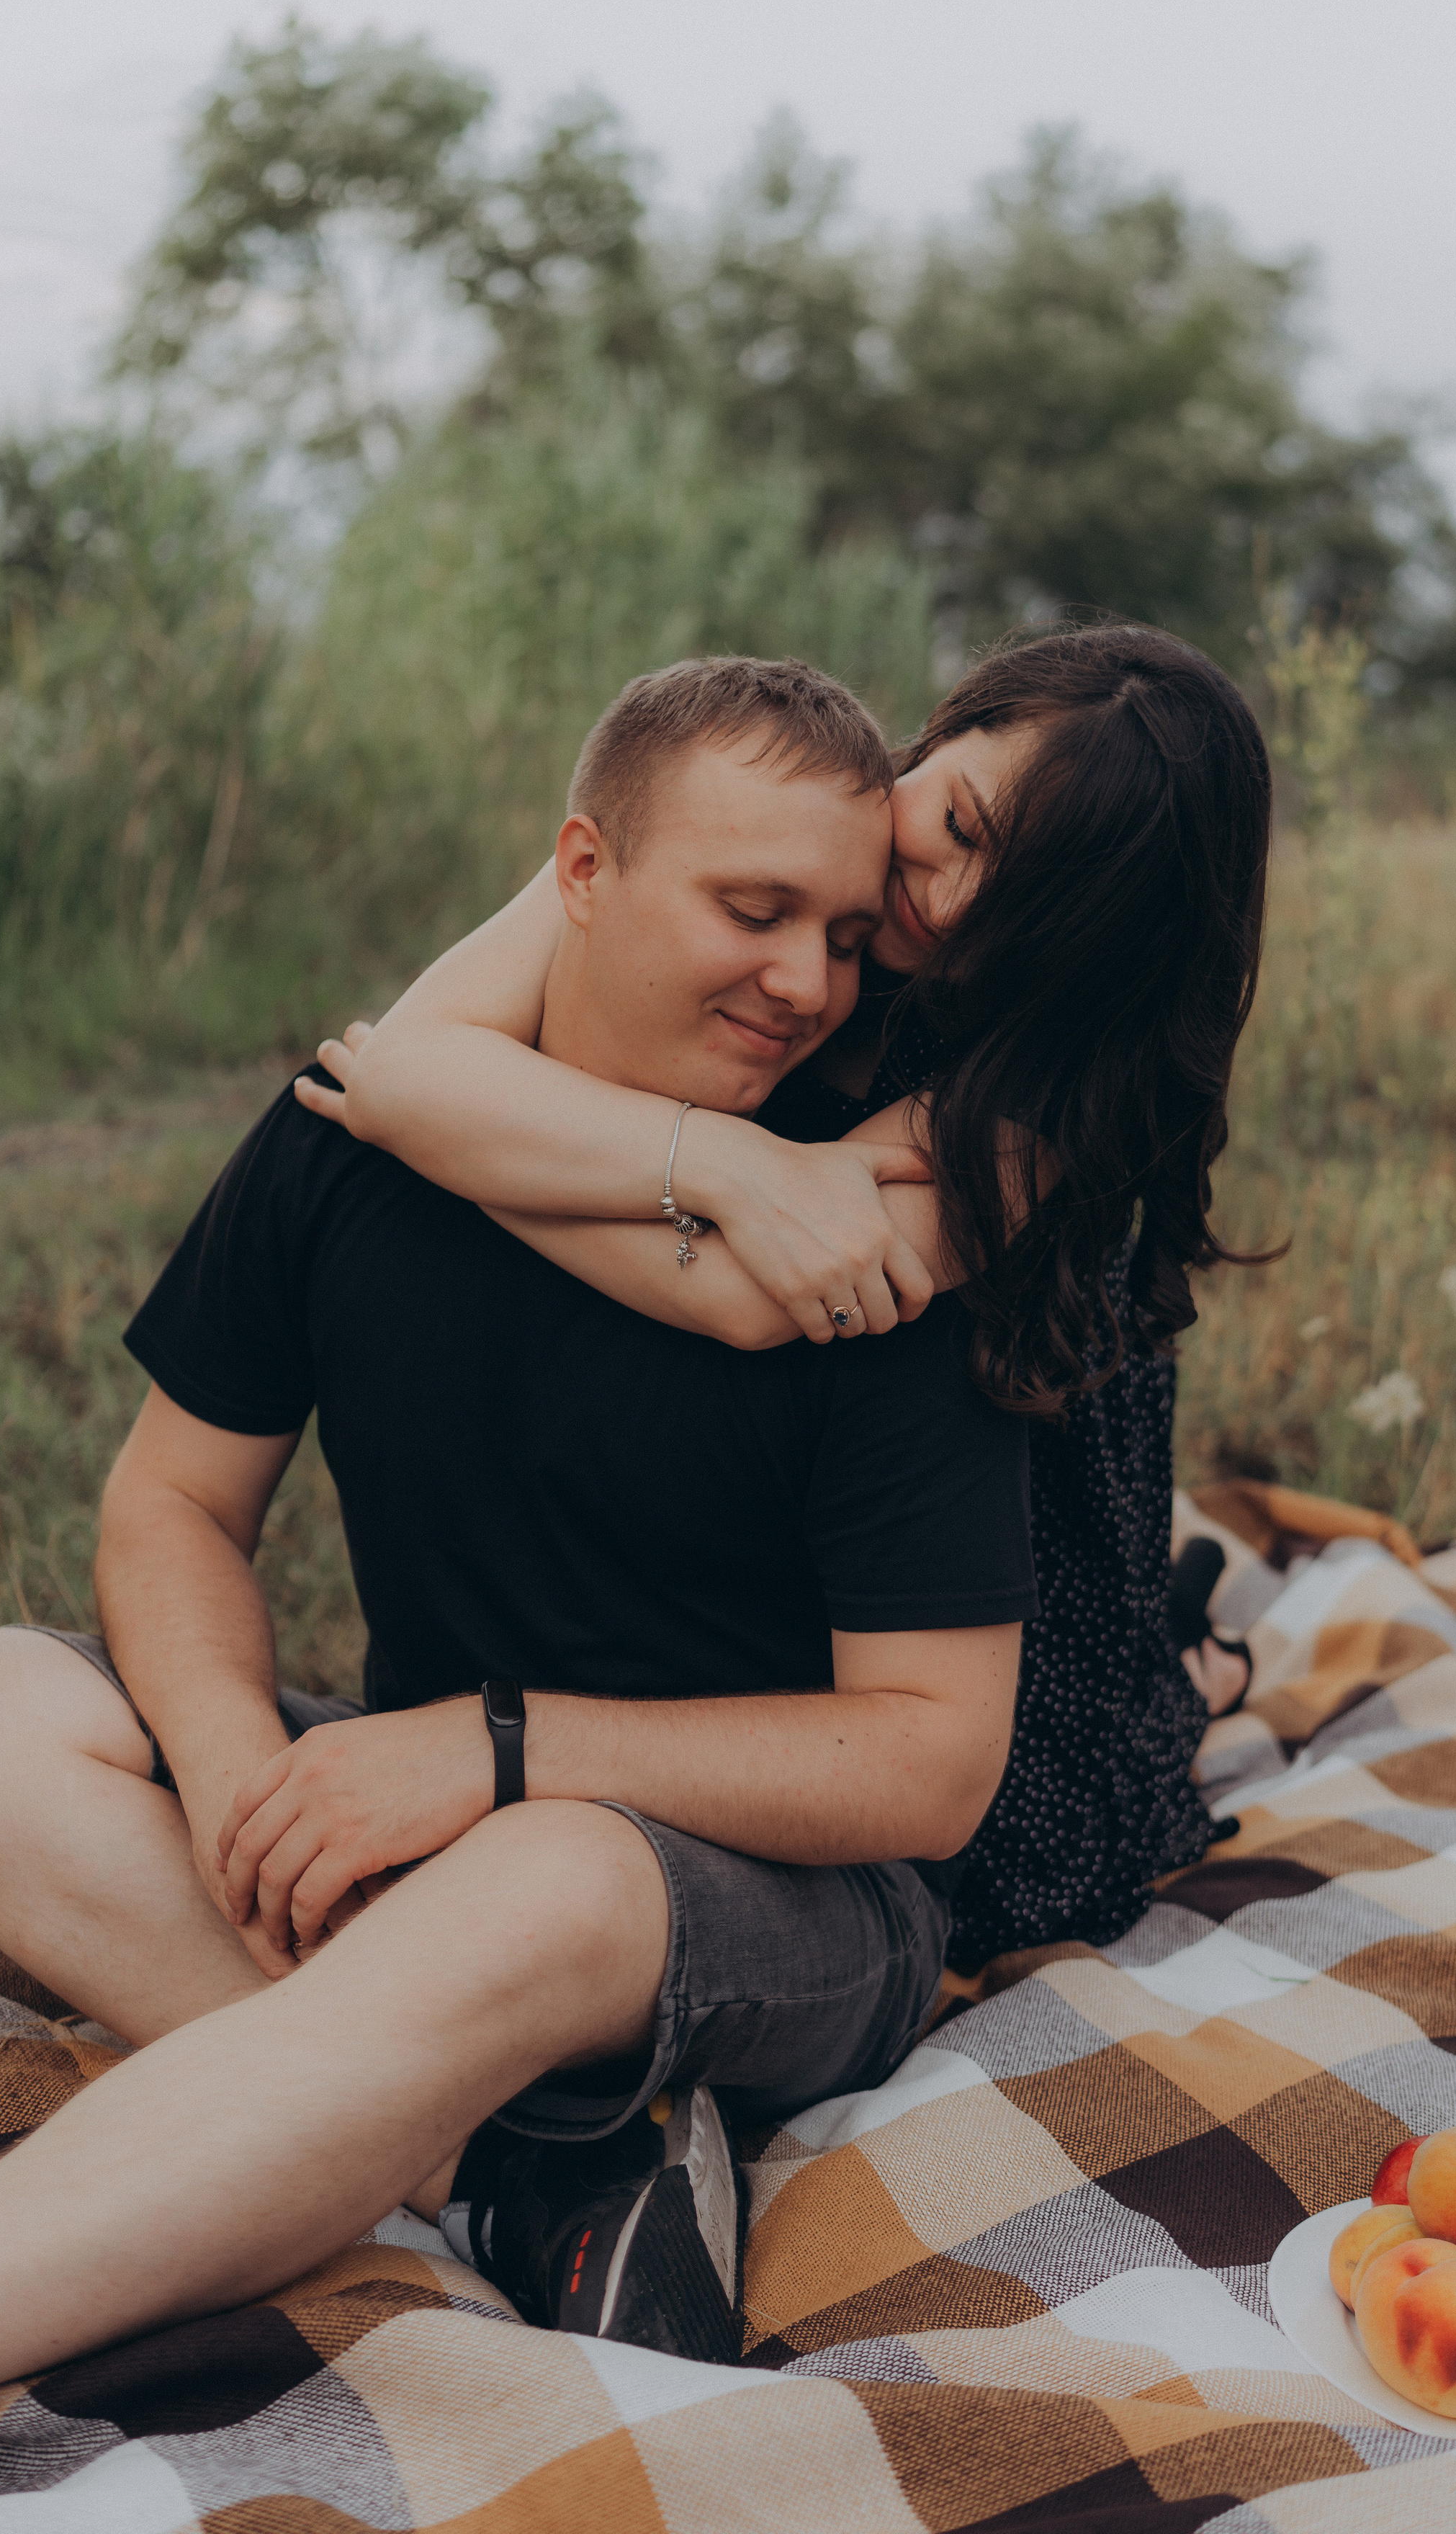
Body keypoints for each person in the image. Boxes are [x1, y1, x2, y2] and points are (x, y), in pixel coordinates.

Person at [0, 658, 1037, 2400]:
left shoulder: (869, 1232)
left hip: (787, 1902)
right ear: (581, 876)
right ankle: (515, 2163)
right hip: (435, 1805)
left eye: (840, 936)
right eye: (751, 910)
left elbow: (928, 1767)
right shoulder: (367, 1127)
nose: (806, 984)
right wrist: (231, 1773)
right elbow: (168, 1503)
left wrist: (501, 1756)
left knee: (546, 1871)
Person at [304, 620, 1274, 1969]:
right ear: (942, 729)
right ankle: (1194, 1629)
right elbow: (413, 1061)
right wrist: (726, 1164)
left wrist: (454, 1137)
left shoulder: (1048, 1102)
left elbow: (766, 1300)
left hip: (991, 1481)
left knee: (1039, 1736)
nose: (958, 897)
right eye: (963, 820)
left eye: (1036, 896)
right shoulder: (770, 807)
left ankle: (1180, 1654)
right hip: (783, 1481)